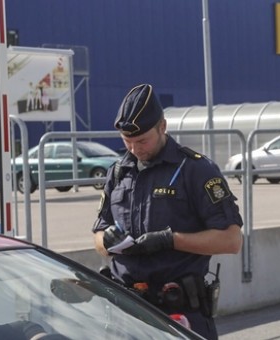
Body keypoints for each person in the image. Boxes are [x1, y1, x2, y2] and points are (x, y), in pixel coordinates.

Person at [92, 83, 243, 340]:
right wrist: (107, 241)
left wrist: (169, 240)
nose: (134, 149)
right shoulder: (118, 173)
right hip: (125, 314)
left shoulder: (195, 170)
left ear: (163, 126)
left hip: (179, 315)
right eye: (127, 141)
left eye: (142, 140)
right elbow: (98, 237)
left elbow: (231, 240)